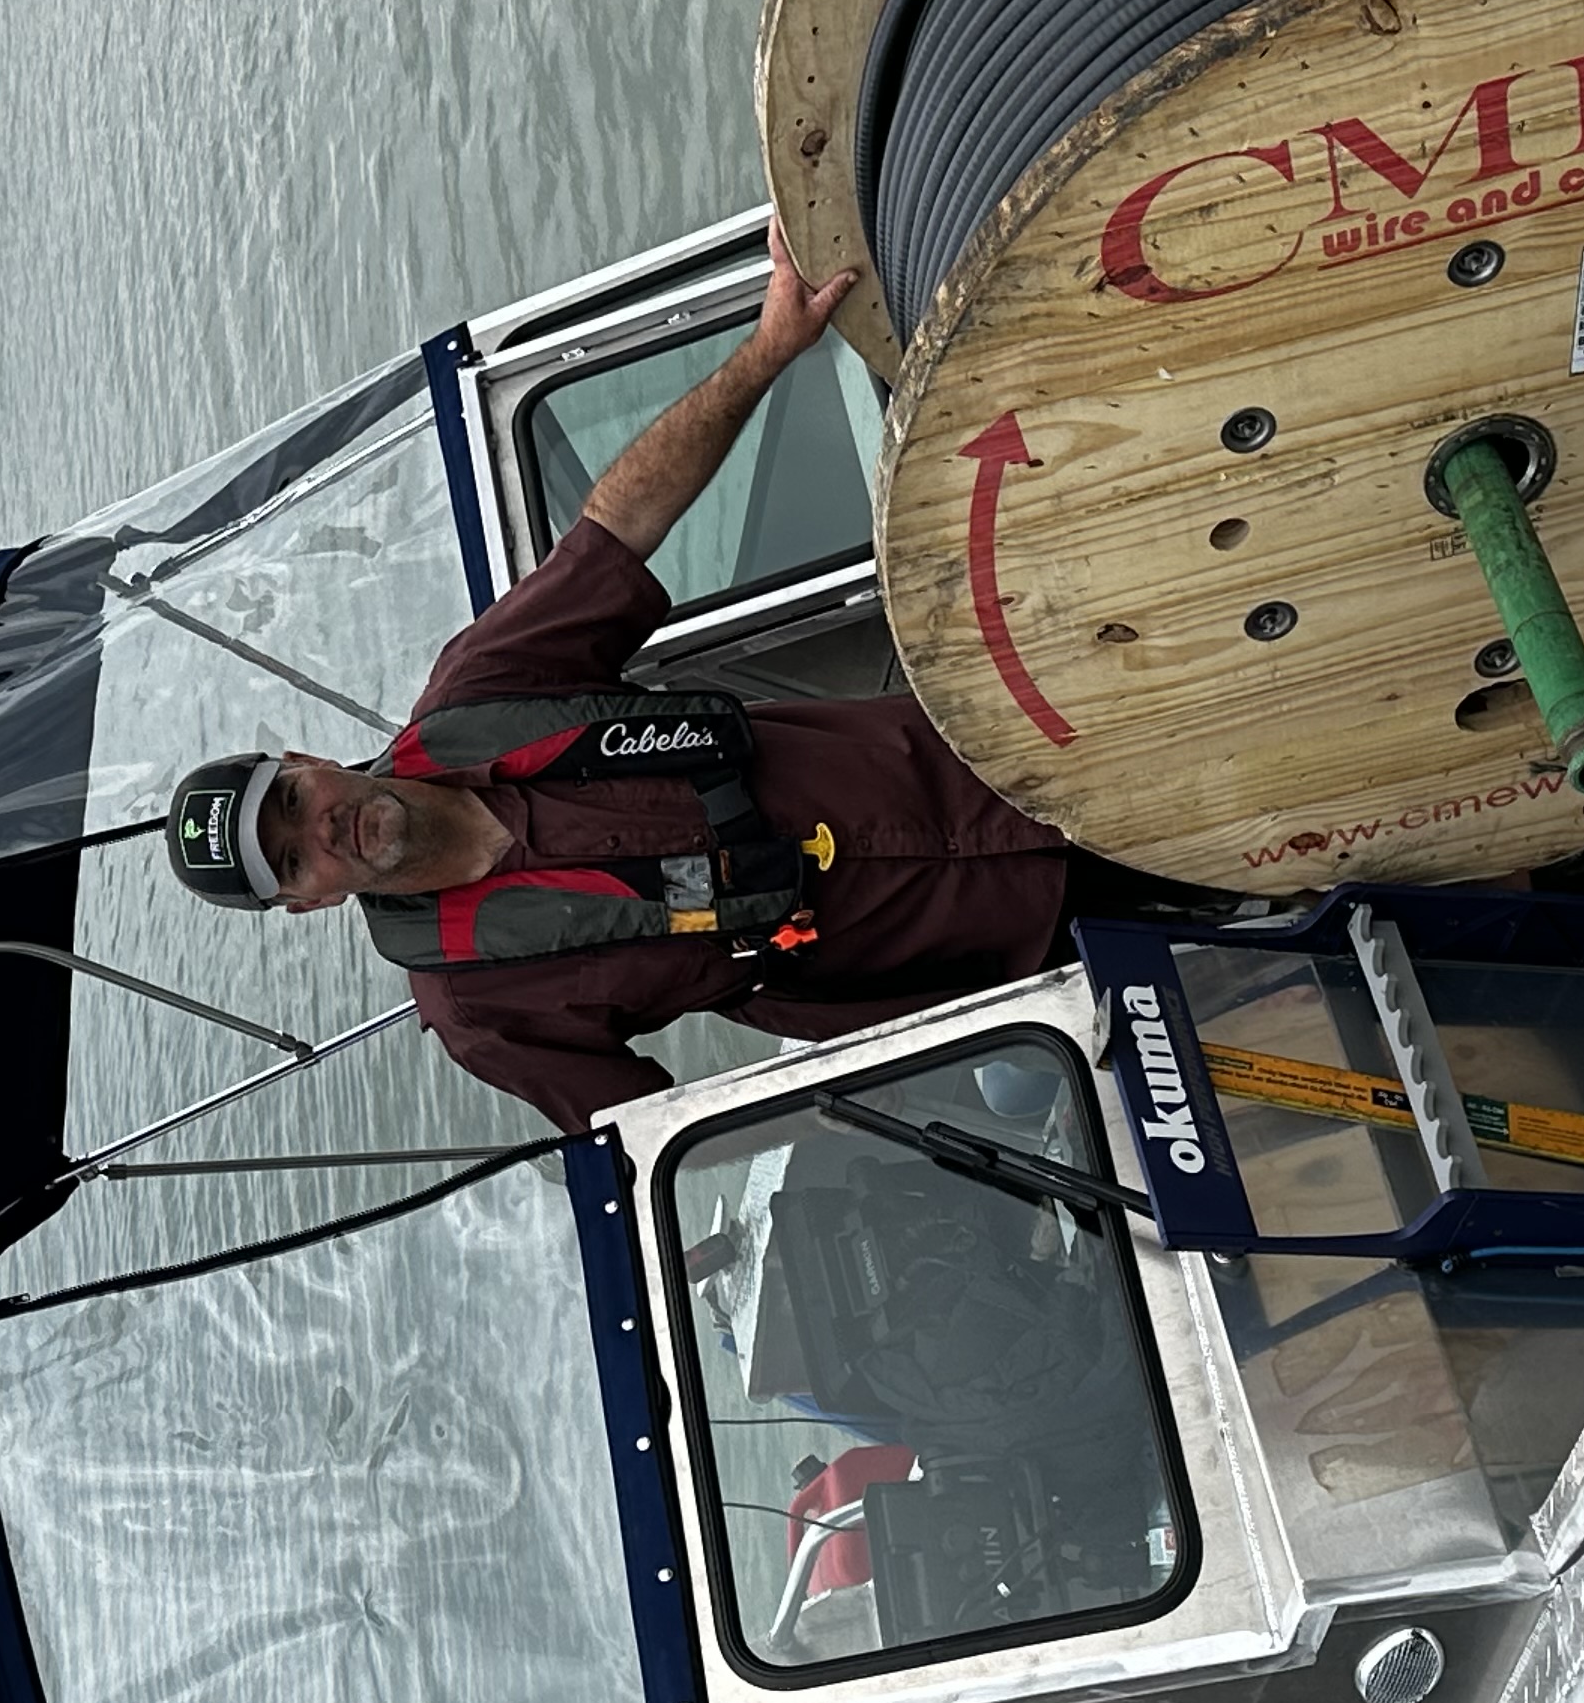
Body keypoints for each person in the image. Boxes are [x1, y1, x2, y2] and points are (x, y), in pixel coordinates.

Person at [163, 225, 1216, 1133]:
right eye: (290, 860)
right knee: (1298, 907)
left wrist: (769, 351)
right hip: (1011, 967)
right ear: (306, 905)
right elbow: (659, 1128)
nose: (322, 830)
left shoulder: (479, 694)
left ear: (304, 760)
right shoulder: (478, 1012)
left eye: (291, 803)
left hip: (1006, 751)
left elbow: (618, 524)